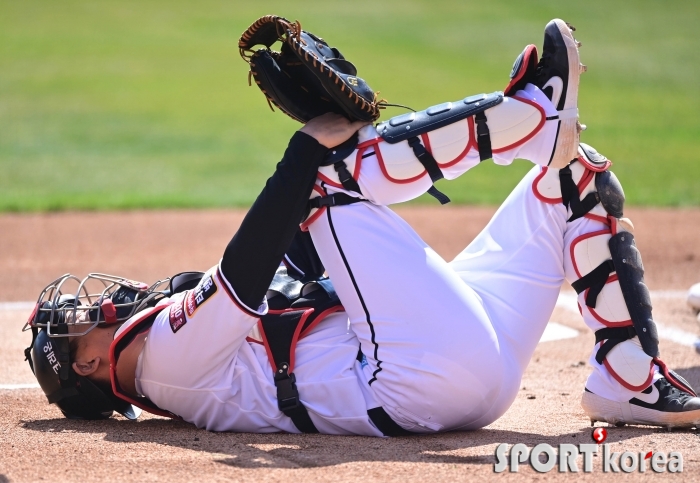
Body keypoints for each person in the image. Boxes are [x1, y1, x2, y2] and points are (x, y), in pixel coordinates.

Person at [24, 19, 700, 434]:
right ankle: (527, 116)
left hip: (460, 357)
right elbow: (248, 265)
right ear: (89, 364)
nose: (90, 301)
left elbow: (302, 265)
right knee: (320, 178)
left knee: (573, 178)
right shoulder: (165, 367)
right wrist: (307, 149)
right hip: (416, 378)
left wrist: (326, 144)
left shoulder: (179, 345)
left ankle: (628, 378)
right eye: (78, 319)